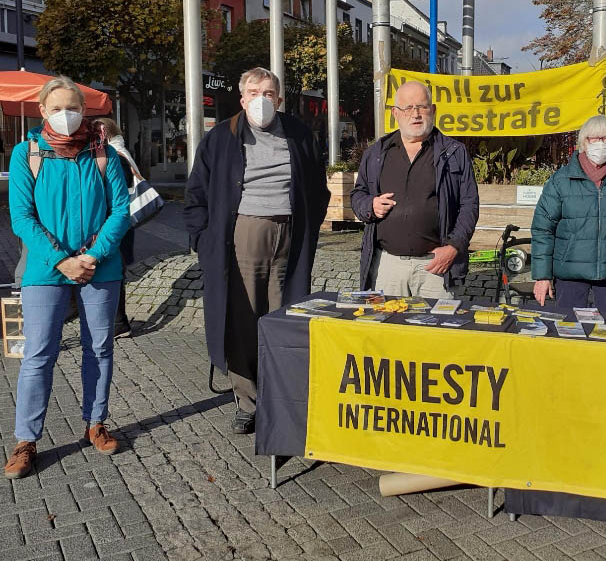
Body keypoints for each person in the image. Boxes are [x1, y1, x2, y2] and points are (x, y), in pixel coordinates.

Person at [184, 67, 329, 434]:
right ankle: (247, 401)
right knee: (243, 318)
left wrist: (309, 228)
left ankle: (283, 398)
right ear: (242, 97)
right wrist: (203, 241)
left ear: (279, 99)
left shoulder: (298, 133)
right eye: (254, 92)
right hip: (244, 232)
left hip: (290, 234)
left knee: (285, 317)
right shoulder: (221, 137)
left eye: (268, 93)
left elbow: (318, 186)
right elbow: (196, 194)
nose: (261, 99)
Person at [4, 76, 131, 478]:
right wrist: (61, 260)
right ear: (42, 110)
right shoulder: (26, 154)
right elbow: (21, 217)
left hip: (100, 266)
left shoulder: (104, 154)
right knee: (39, 354)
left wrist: (92, 255)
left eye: (72, 107)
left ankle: (96, 422)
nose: (65, 115)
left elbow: (120, 212)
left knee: (100, 348)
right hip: (45, 270)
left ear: (84, 110)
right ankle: (26, 440)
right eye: (57, 108)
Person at [350, 81, 479, 298]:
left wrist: (454, 247)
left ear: (433, 110)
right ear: (395, 113)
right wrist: (369, 205)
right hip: (388, 266)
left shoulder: (454, 152)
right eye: (408, 107)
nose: (416, 114)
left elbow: (469, 205)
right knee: (389, 328)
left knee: (436, 330)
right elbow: (358, 195)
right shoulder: (377, 153)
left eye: (422, 106)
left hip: (436, 267)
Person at [531, 115, 606, 312]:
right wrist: (542, 276)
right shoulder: (561, 180)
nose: (601, 144)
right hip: (570, 274)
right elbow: (543, 229)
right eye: (594, 138)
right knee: (569, 335)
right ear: (583, 142)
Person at [95, 118, 139, 337]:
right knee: (116, 269)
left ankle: (119, 321)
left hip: (118, 222)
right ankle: (117, 321)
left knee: (115, 270)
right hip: (120, 222)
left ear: (105, 134)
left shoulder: (115, 155)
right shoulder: (119, 150)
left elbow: (118, 193)